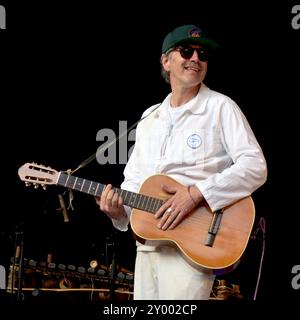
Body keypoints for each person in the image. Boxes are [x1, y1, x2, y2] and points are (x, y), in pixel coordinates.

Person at [96, 24, 267, 300]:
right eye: (186, 51)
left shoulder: (221, 107)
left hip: (192, 244)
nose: (196, 59)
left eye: (202, 54)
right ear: (166, 60)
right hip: (148, 244)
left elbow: (255, 166)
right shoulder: (149, 117)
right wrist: (118, 213)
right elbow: (134, 182)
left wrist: (195, 193)